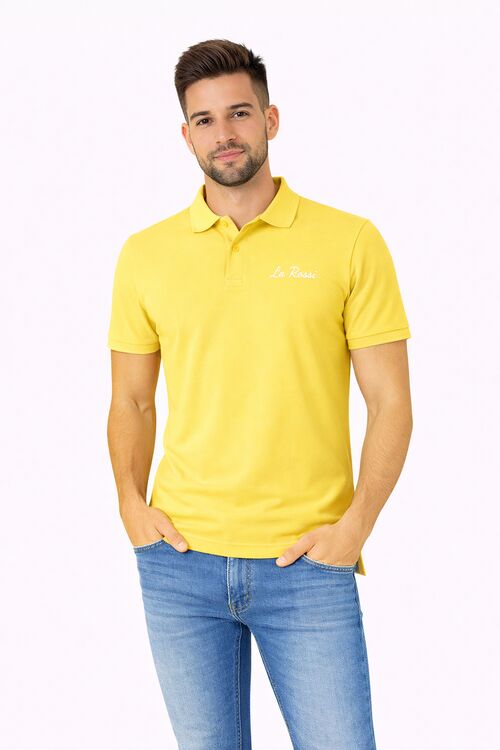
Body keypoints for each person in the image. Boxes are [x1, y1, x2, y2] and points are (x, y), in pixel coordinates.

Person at [106, 38, 413, 750]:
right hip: (179, 562)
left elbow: (391, 403)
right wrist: (129, 503)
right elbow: (132, 401)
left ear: (271, 119)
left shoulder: (350, 242)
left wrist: (355, 528)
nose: (225, 133)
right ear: (187, 135)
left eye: (239, 113)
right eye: (205, 120)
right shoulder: (145, 255)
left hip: (308, 563)